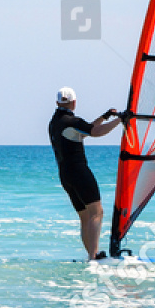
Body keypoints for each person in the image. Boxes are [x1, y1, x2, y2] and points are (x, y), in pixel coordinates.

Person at [48, 87, 123, 261]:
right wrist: (120, 120)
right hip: (79, 172)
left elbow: (85, 129)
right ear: (74, 102)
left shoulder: (56, 122)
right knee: (97, 212)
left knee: (85, 216)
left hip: (65, 176)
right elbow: (95, 132)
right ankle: (93, 258)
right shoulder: (72, 121)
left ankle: (92, 255)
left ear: (57, 102)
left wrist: (104, 117)